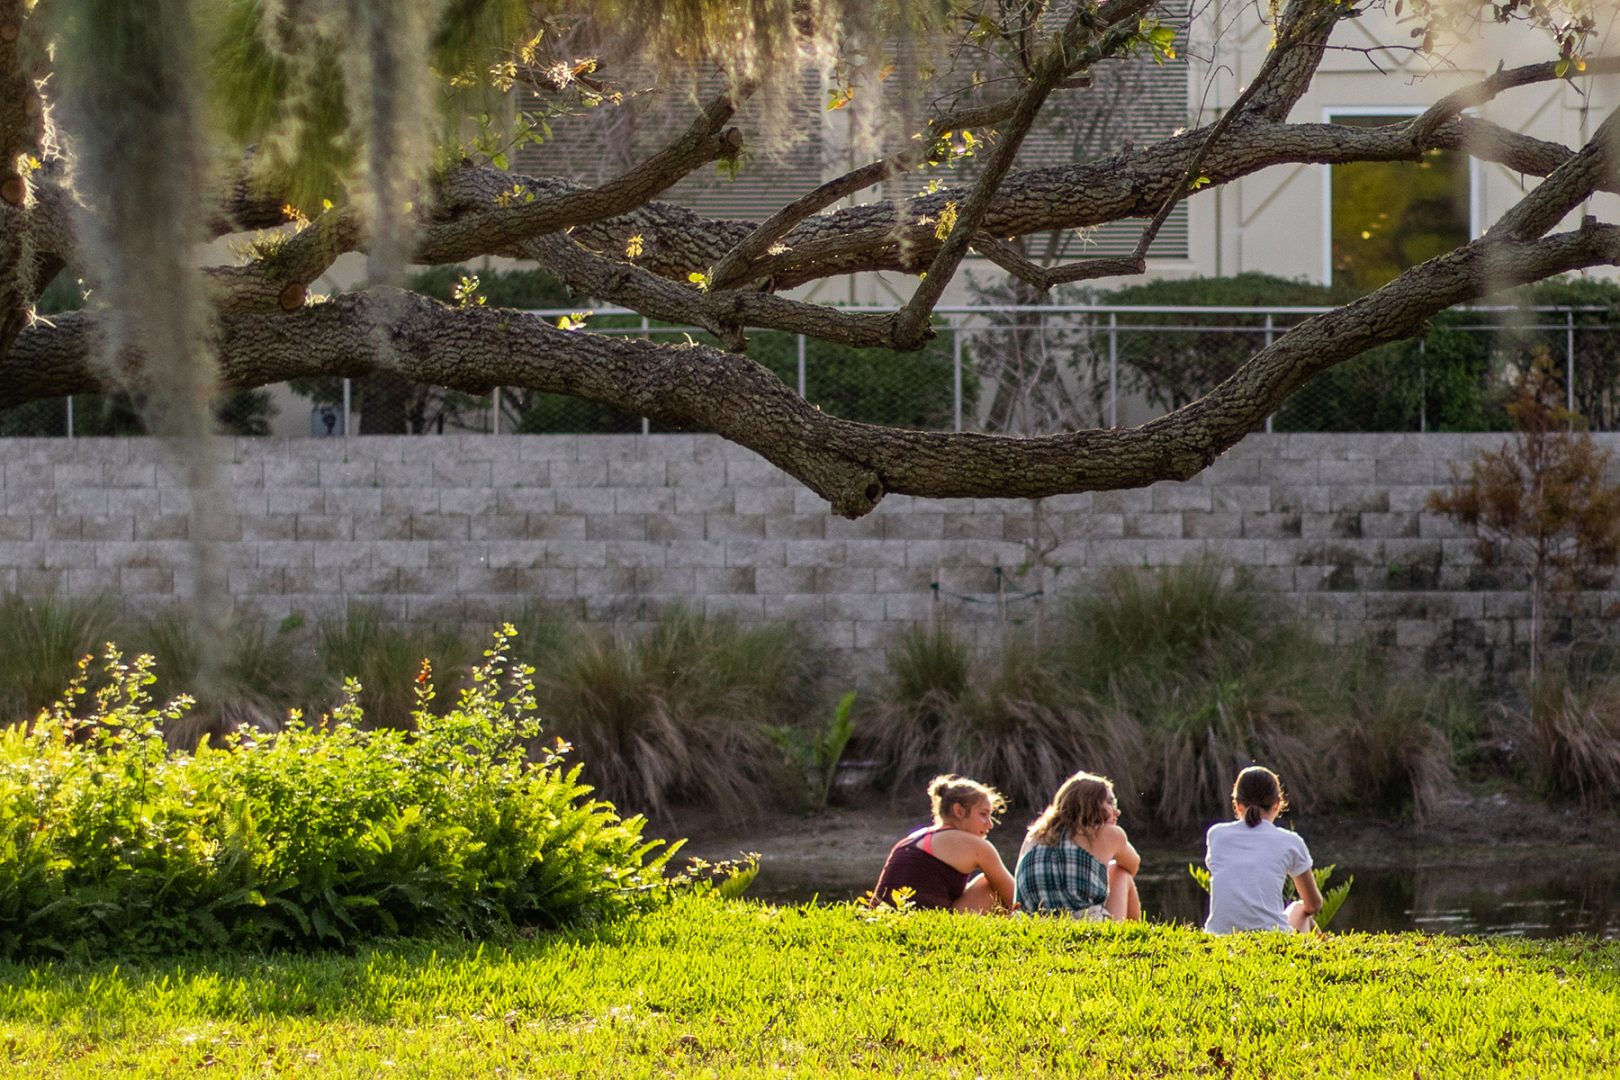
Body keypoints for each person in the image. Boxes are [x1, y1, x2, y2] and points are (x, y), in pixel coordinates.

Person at [869, 774, 1017, 913]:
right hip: (924, 930)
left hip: (881, 922)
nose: (990, 825)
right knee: (991, 886)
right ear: (959, 811)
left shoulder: (911, 839)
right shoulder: (977, 846)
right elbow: (1017, 899)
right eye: (983, 814)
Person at [1203, 764, 1323, 934]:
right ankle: (1327, 951)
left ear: (1237, 805)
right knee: (1301, 910)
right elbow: (1314, 904)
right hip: (1270, 941)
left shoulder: (1216, 835)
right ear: (1278, 805)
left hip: (1218, 939)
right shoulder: (1290, 841)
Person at [1013, 770, 1141, 921]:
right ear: (1090, 802)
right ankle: (1135, 936)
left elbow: (1017, 898)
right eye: (1110, 802)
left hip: (1031, 925)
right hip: (1086, 924)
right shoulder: (1109, 834)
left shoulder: (1033, 836)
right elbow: (1132, 865)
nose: (1117, 811)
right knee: (1121, 872)